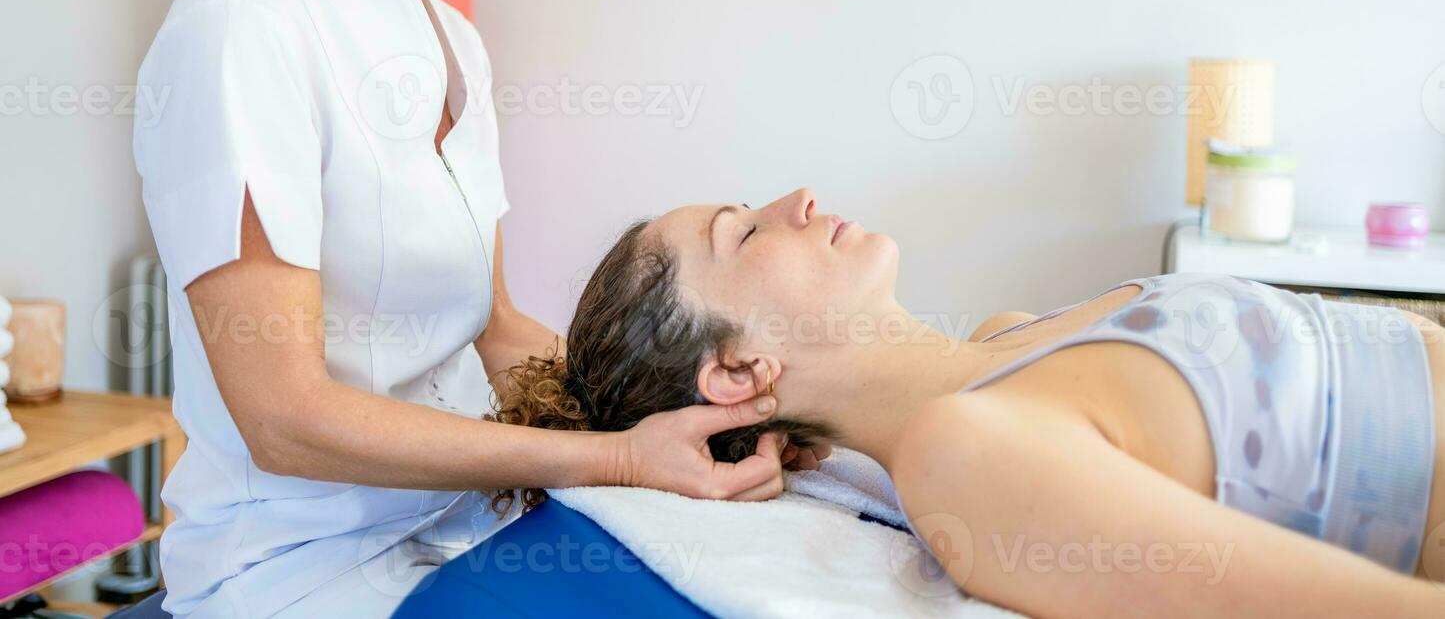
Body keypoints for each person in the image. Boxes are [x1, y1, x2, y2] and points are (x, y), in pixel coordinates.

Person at [131, 0, 817, 616]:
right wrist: (608, 456)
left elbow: (492, 328)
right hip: (298, 567)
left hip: (456, 528)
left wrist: (700, 417)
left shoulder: (450, 40)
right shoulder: (243, 30)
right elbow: (282, 418)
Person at [487, 187, 1445, 617]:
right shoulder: (964, 459)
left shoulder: (1009, 332)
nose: (798, 198)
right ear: (738, 375)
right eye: (743, 234)